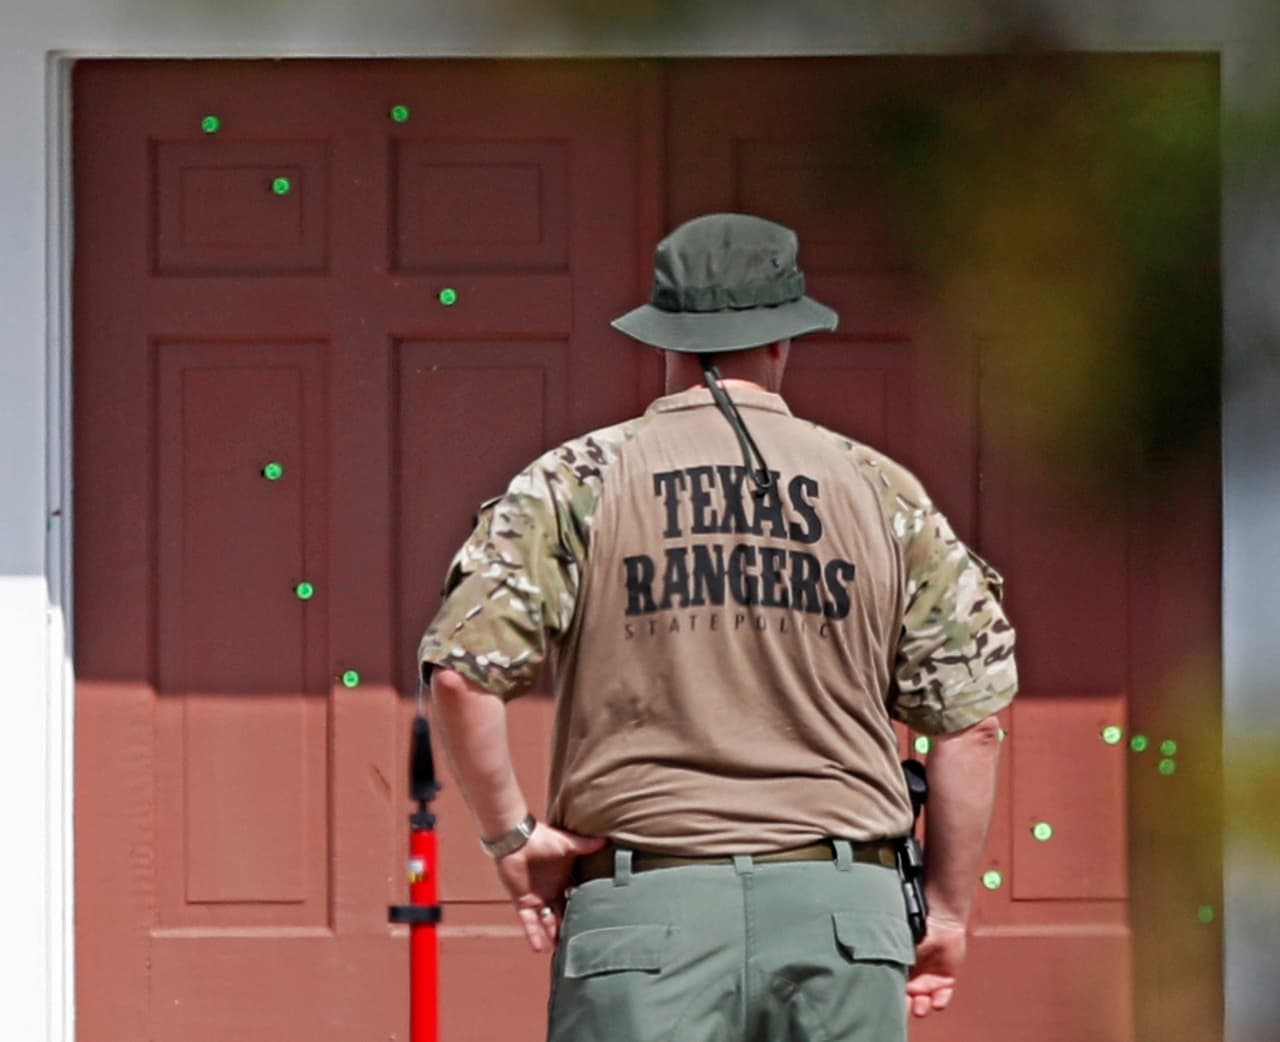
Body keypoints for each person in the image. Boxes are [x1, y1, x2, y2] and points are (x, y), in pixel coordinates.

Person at [418, 213, 1017, 1041]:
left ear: (663, 337)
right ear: (784, 340)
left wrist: (512, 839)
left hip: (642, 915)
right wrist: (946, 913)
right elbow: (972, 723)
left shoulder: (577, 480)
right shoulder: (884, 492)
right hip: (841, 919)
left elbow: (462, 675)